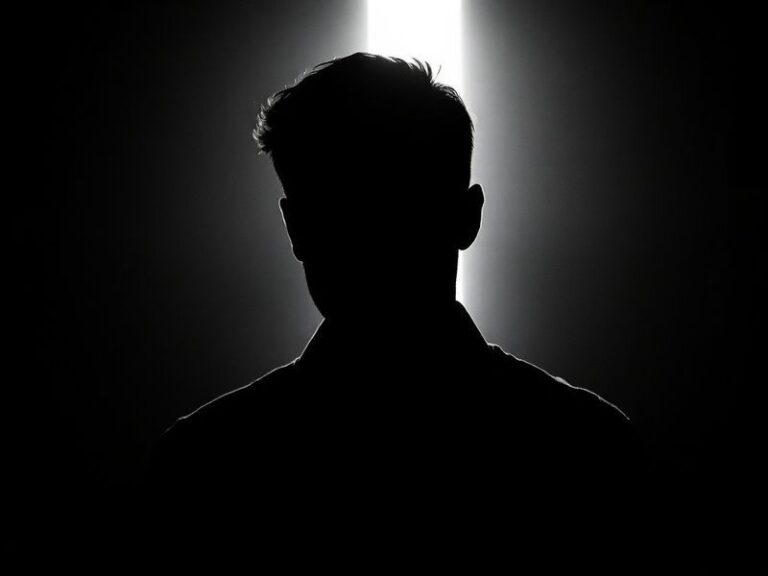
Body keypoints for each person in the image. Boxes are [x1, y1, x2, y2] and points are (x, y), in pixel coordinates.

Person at [145, 53, 641, 519]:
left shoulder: (204, 462)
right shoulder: (589, 447)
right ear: (469, 217)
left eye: (394, 206)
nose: (373, 233)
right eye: (345, 210)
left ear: (294, 228)